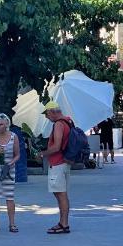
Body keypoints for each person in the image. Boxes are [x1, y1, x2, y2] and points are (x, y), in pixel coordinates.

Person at [39, 101, 73, 235]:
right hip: (64, 163)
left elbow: (56, 147)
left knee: (61, 195)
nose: (47, 117)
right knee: (61, 193)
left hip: (58, 163)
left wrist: (43, 154)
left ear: (53, 112)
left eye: (47, 114)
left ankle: (64, 224)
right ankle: (63, 222)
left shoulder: (59, 124)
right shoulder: (68, 122)